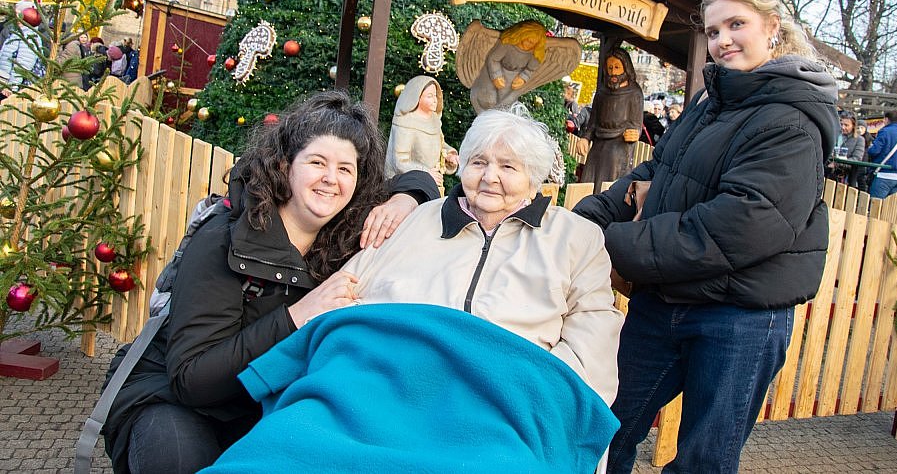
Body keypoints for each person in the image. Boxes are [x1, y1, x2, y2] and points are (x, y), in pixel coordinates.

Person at [202, 109, 623, 473]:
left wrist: (529, 391)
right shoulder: (414, 219)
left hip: (502, 404)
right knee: (281, 450)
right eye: (478, 162)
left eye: (508, 167)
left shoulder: (574, 238)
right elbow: (349, 291)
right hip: (382, 385)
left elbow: (592, 346)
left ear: (534, 179)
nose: (489, 177)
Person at [573, 0, 838, 474]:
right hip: (664, 302)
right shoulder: (708, 103)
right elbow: (655, 171)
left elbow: (739, 224)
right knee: (600, 430)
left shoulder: (791, 120)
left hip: (738, 316)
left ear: (772, 28)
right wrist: (584, 225)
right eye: (714, 31)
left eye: (737, 24)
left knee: (703, 460)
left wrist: (610, 244)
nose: (723, 40)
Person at [101, 90, 438, 474]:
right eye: (317, 162)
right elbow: (191, 380)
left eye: (346, 169)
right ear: (284, 165)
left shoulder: (342, 236)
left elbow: (425, 180)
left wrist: (407, 197)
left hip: (262, 404)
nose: (331, 179)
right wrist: (298, 315)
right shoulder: (226, 239)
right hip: (172, 399)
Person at [579, 47, 644, 187]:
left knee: (609, 185)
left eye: (617, 67)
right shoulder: (602, 92)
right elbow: (593, 123)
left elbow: (636, 124)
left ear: (625, 67)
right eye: (610, 68)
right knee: (588, 181)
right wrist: (585, 138)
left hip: (618, 146)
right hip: (598, 143)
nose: (613, 72)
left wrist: (635, 133)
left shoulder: (634, 93)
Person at [384, 75, 458, 189]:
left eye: (435, 95)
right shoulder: (406, 122)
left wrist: (449, 155)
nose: (435, 100)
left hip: (432, 183)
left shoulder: (434, 119)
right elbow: (400, 162)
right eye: (429, 96)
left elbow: (439, 143)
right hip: (406, 187)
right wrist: (426, 173)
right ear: (416, 97)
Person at [469, 20, 547, 112]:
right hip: (494, 72)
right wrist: (496, 76)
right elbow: (493, 59)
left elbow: (530, 69)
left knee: (507, 104)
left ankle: (498, 117)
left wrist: (523, 77)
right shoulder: (508, 44)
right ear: (522, 35)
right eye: (528, 41)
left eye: (534, 43)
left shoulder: (534, 53)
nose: (529, 45)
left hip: (514, 78)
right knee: (488, 100)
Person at [0, 0, 47, 99]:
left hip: (11, 87)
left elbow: (23, 64)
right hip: (4, 81)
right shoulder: (17, 32)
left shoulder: (30, 36)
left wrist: (12, 87)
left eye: (19, 13)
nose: (16, 16)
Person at [826, 110, 865, 184]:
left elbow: (856, 159)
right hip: (829, 174)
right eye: (841, 124)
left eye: (846, 125)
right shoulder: (834, 136)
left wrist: (837, 164)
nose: (843, 127)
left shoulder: (859, 140)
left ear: (853, 126)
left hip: (847, 178)